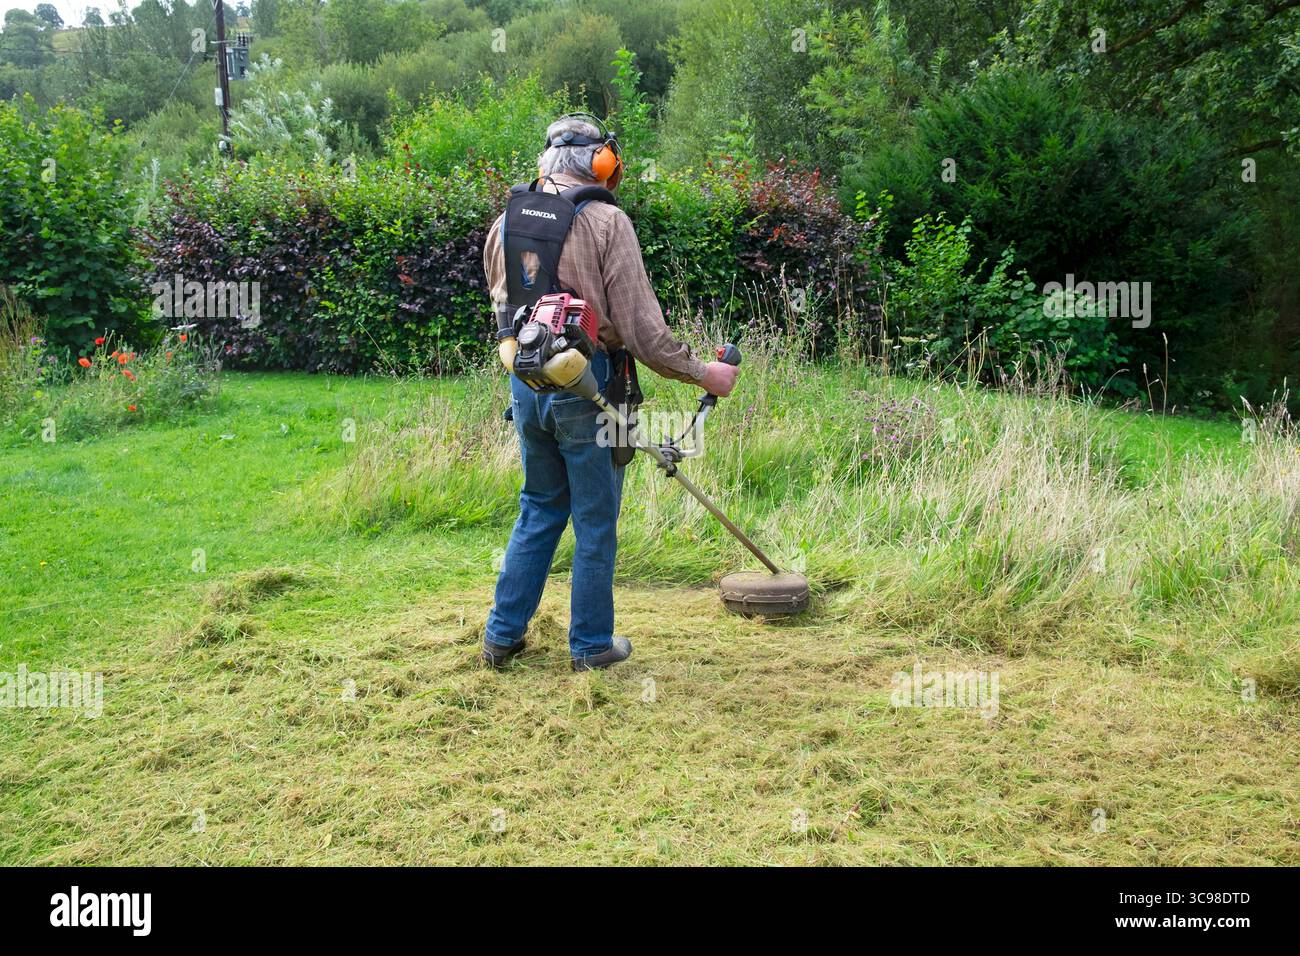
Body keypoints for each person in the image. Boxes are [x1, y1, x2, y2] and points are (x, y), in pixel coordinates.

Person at [481, 114, 740, 671]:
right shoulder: (606, 222)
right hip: (590, 386)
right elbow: (645, 334)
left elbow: (502, 308)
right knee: (595, 519)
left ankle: (502, 637)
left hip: (525, 383)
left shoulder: (506, 222)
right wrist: (702, 373)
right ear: (601, 162)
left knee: (539, 507)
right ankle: (592, 646)